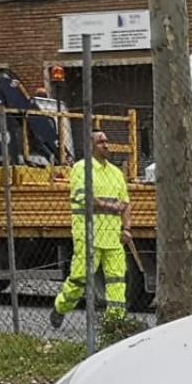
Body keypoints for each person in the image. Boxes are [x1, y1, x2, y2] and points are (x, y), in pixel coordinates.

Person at [52, 130, 130, 328]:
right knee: (80, 278)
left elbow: (126, 203)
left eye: (106, 140)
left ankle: (115, 322)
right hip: (89, 235)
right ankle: (61, 307)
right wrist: (110, 206)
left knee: (117, 281)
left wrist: (126, 229)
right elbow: (85, 198)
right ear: (91, 146)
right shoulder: (81, 169)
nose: (106, 145)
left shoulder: (115, 173)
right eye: (100, 141)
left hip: (113, 237)